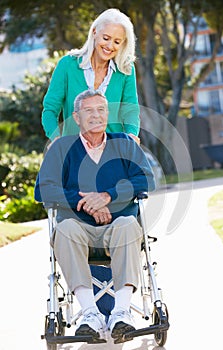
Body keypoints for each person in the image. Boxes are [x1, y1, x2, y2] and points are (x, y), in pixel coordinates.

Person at [35, 90, 155, 340]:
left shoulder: (124, 143)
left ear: (107, 114)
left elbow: (146, 179)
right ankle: (90, 313)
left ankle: (121, 312)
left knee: (127, 225)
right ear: (76, 117)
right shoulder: (62, 148)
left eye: (101, 109)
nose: (96, 115)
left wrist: (108, 196)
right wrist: (86, 202)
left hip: (119, 226)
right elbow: (44, 188)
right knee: (64, 230)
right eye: (89, 110)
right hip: (78, 229)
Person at [42, 8, 140, 144]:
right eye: (106, 38)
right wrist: (57, 139)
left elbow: (130, 110)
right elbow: (50, 109)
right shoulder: (67, 65)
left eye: (117, 42)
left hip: (112, 153)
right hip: (73, 151)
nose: (110, 46)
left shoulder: (125, 70)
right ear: (94, 32)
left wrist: (131, 136)